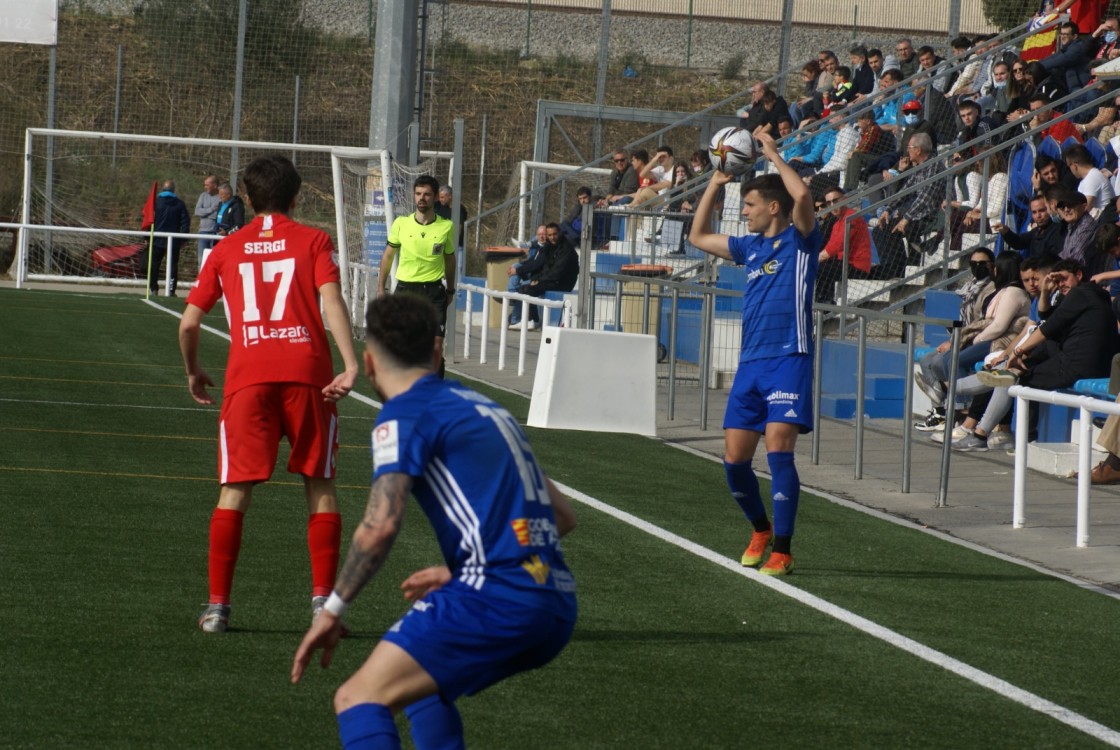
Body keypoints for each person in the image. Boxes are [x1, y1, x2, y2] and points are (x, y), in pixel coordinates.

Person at [290, 293, 578, 750]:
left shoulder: (402, 416)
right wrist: (462, 567)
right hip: (554, 598)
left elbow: (380, 526)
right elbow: (562, 515)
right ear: (437, 351)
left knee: (357, 697)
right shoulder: (488, 410)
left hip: (499, 595)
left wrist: (332, 610)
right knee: (424, 691)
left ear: (368, 364)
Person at [179, 154, 360, 634]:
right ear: (296, 197)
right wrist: (350, 363)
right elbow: (331, 299)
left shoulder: (226, 248)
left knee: (234, 490)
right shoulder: (314, 240)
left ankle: (218, 608)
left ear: (246, 197)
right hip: (308, 374)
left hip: (248, 376)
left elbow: (190, 322)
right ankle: (323, 607)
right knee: (319, 484)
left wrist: (194, 369)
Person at [689, 132, 821, 576]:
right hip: (751, 364)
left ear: (773, 207)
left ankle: (782, 549)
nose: (743, 212)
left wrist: (773, 156)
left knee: (779, 449)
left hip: (789, 357)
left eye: (749, 206)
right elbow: (698, 235)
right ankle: (760, 529)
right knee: (734, 460)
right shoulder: (750, 248)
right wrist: (716, 182)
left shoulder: (802, 239)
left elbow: (801, 192)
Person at [378, 175, 456, 374]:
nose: (422, 198)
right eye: (418, 193)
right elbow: (387, 257)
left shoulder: (446, 226)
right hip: (405, 290)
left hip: (433, 292)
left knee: (436, 346)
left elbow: (449, 259)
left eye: (427, 194)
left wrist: (450, 289)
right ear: (414, 196)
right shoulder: (401, 224)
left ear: (435, 197)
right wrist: (381, 288)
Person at [507, 222, 579, 329]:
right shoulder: (549, 246)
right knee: (524, 288)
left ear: (559, 233)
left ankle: (532, 320)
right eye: (549, 235)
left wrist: (539, 280)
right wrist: (536, 278)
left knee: (528, 290)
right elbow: (543, 265)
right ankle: (520, 315)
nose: (552, 237)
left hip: (563, 283)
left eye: (554, 234)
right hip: (551, 280)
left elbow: (557, 272)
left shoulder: (566, 249)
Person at [815, 187, 872, 303]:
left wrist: (816, 259)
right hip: (844, 263)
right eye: (829, 203)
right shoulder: (837, 223)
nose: (832, 205)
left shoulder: (852, 217)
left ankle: (824, 304)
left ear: (844, 199)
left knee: (821, 268)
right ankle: (821, 303)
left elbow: (837, 245)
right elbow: (831, 245)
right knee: (823, 267)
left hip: (857, 266)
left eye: (835, 201)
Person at [146, 179, 190, 297]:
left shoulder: (156, 202)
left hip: (157, 239)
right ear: (174, 190)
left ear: (163, 189)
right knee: (172, 266)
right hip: (174, 240)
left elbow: (148, 219)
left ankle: (153, 288)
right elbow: (185, 222)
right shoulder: (180, 204)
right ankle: (171, 290)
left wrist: (147, 236)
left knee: (154, 264)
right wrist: (184, 238)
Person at [994, 193, 1064, 258]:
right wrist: (1005, 231)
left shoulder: (1059, 230)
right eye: (1034, 212)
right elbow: (1018, 242)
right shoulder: (1037, 231)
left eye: (1042, 211)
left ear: (1049, 209)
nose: (1038, 215)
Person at [508, 224, 547, 292]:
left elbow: (535, 265)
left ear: (548, 235)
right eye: (539, 234)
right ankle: (512, 292)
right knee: (515, 266)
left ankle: (512, 293)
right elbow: (531, 261)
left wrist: (517, 270)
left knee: (517, 271)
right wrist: (516, 268)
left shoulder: (547, 249)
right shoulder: (539, 248)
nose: (541, 237)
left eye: (544, 234)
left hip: (538, 279)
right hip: (533, 274)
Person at [195, 174, 221, 261]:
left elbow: (217, 215)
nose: (205, 187)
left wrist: (205, 212)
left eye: (207, 185)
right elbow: (197, 211)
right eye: (204, 185)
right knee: (201, 260)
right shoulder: (203, 195)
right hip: (203, 233)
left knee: (215, 260)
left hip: (216, 233)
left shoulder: (221, 197)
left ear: (215, 185)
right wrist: (211, 209)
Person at [435, 185, 468, 251]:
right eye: (439, 197)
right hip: (439, 243)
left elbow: (459, 228)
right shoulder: (438, 206)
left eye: (442, 197)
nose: (440, 199)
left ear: (450, 196)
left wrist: (453, 243)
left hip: (455, 246)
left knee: (456, 261)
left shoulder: (459, 209)